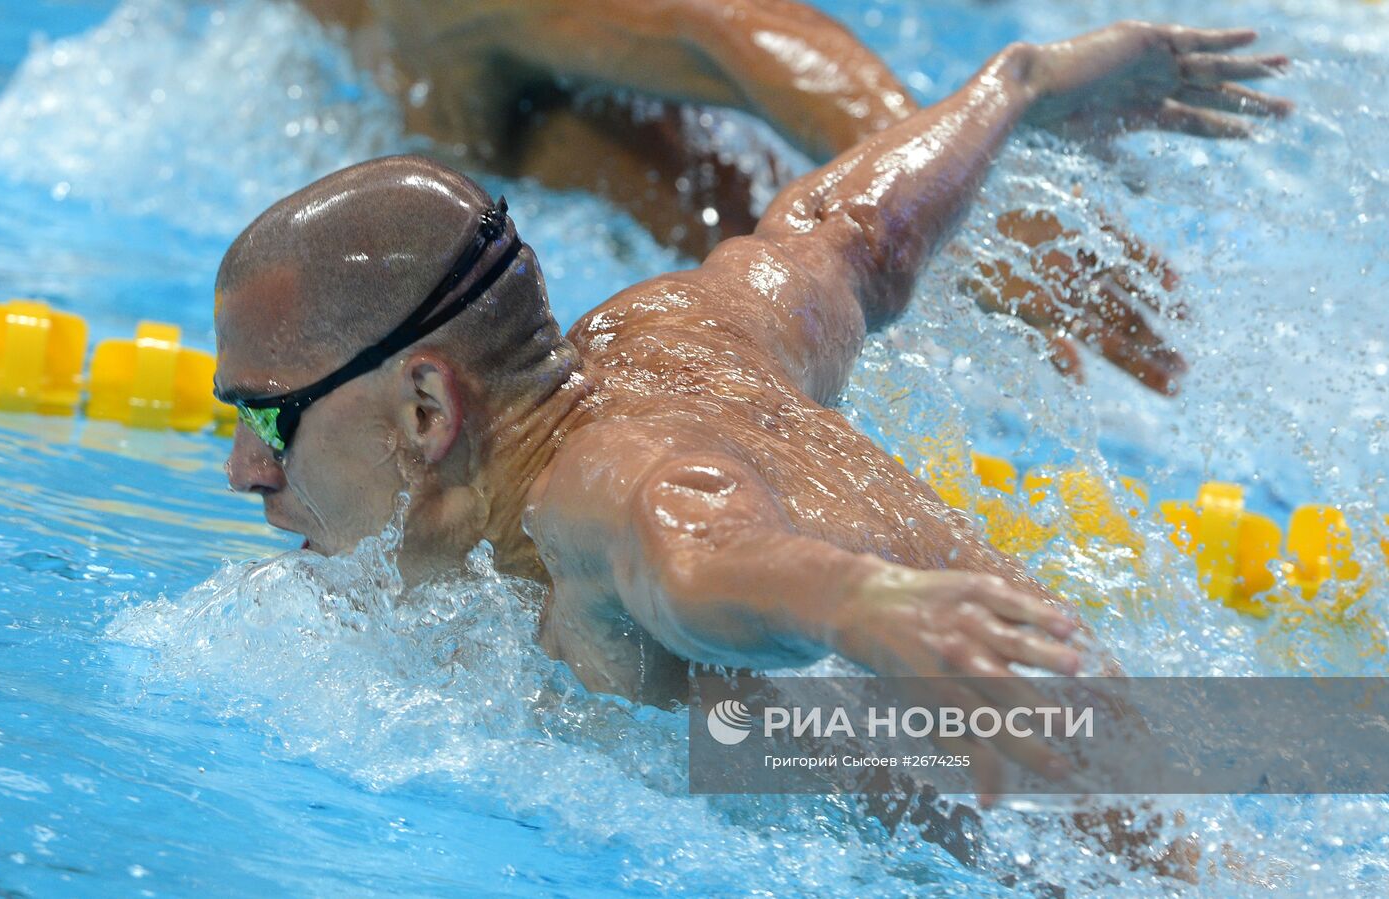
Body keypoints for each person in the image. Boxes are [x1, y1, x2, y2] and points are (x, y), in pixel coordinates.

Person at [214, 18, 1288, 877]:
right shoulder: (677, 328)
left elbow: (691, 547)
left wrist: (858, 605)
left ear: (424, 408)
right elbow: (851, 235)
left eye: (270, 418)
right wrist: (1011, 89)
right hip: (1128, 789)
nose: (245, 469)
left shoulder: (580, 488)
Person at [302, 0, 1194, 393]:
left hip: (436, 58)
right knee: (707, 220)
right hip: (447, 89)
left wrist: (960, 204)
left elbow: (730, 29)